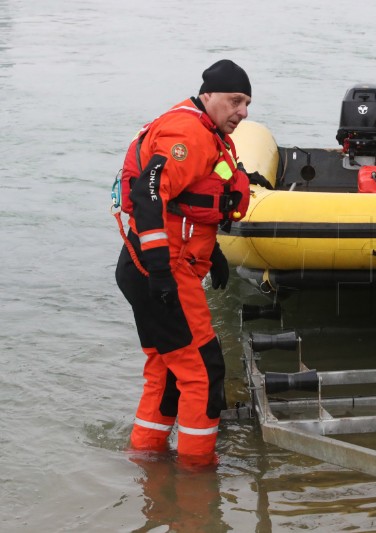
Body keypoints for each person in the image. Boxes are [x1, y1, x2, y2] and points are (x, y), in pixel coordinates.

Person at [115, 59, 262, 468]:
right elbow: (149, 196)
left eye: (247, 103)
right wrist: (162, 273)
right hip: (162, 271)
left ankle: (146, 458)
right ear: (208, 95)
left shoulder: (204, 132)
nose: (243, 112)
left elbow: (185, 205)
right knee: (203, 371)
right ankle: (198, 477)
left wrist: (210, 252)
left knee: (165, 371)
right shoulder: (189, 135)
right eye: (235, 101)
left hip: (144, 266)